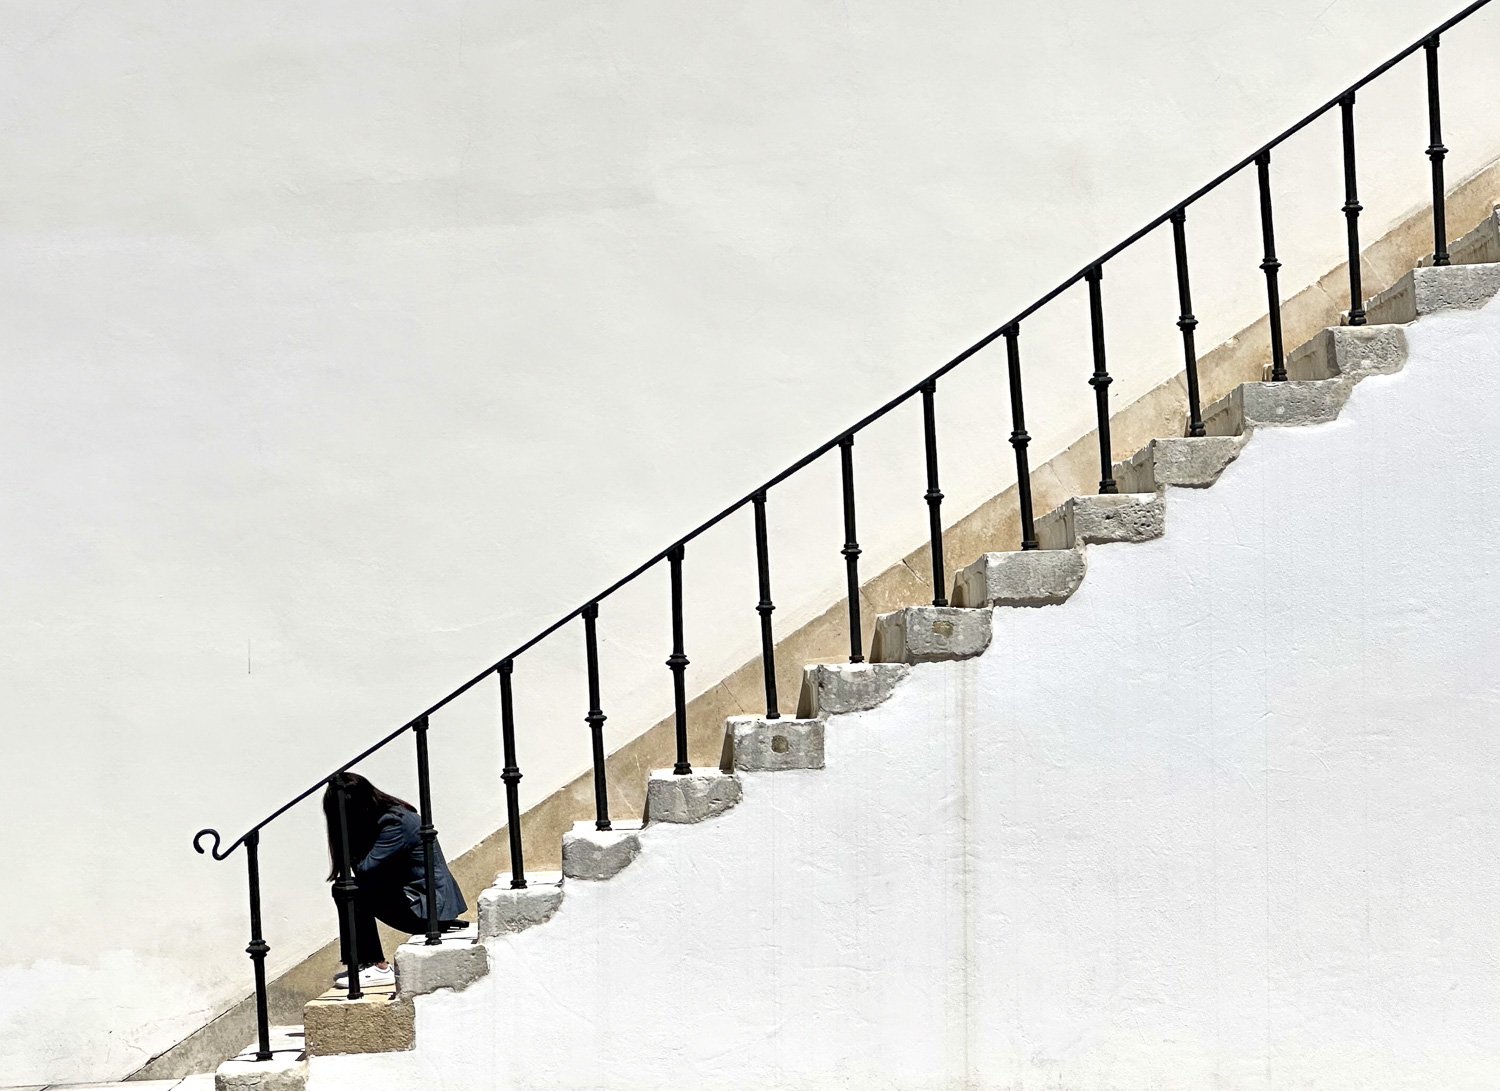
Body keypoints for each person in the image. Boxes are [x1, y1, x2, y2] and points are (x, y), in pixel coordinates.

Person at [321, 772, 468, 988]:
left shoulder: (394, 823)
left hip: (427, 907)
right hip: (420, 902)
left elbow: (365, 869)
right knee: (346, 888)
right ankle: (363, 964)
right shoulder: (386, 817)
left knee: (351, 890)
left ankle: (376, 965)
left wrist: (347, 837)